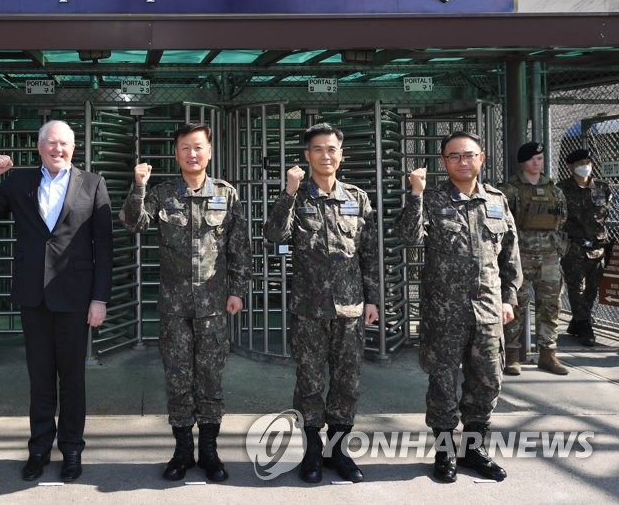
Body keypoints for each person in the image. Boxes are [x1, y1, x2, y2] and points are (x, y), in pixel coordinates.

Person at [0, 120, 112, 483]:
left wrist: (100, 299)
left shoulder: (93, 183)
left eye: (63, 144)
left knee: (73, 377)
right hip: (33, 295)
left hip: (75, 296)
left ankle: (73, 449)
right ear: (39, 147)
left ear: (74, 148)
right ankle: (38, 449)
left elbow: (105, 248)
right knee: (40, 376)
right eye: (50, 143)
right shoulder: (18, 181)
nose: (56, 149)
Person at [120, 123, 252, 483]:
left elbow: (240, 249)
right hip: (174, 309)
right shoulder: (162, 194)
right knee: (178, 380)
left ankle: (209, 451)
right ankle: (181, 451)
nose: (192, 154)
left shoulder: (227, 194)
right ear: (176, 154)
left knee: (210, 379)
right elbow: (133, 224)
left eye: (198, 147)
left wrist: (237, 290)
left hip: (213, 308)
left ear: (209, 152)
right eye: (185, 148)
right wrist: (139, 185)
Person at [396, 131, 521, 484]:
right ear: (443, 162)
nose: (463, 161)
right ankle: (445, 450)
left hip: (487, 312)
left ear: (481, 158)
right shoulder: (432, 200)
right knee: (443, 383)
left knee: (487, 383)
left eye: (469, 155)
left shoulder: (497, 201)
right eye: (454, 156)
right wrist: (416, 194)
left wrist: (509, 298)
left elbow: (511, 256)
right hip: (444, 314)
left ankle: (473, 449)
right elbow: (408, 239)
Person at [262, 122, 380, 484]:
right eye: (317, 149)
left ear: (340, 154)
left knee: (347, 382)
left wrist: (374, 300)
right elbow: (272, 236)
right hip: (309, 310)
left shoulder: (357, 198)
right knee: (309, 383)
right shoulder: (296, 198)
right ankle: (313, 452)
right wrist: (288, 192)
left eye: (331, 149)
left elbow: (369, 255)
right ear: (306, 155)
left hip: (350, 309)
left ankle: (338, 451)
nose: (325, 155)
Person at [499, 142, 569, 375]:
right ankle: (512, 356)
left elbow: (561, 218)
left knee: (550, 306)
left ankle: (548, 355)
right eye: (532, 159)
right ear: (523, 162)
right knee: (515, 306)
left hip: (549, 257)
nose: (537, 163)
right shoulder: (509, 190)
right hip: (520, 257)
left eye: (539, 158)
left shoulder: (554, 190)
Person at [558, 148, 614, 347]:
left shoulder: (602, 187)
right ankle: (584, 325)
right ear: (571, 167)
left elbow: (603, 215)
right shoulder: (562, 189)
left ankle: (577, 323)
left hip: (598, 247)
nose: (585, 166)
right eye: (580, 163)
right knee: (577, 288)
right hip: (574, 246)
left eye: (588, 162)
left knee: (592, 289)